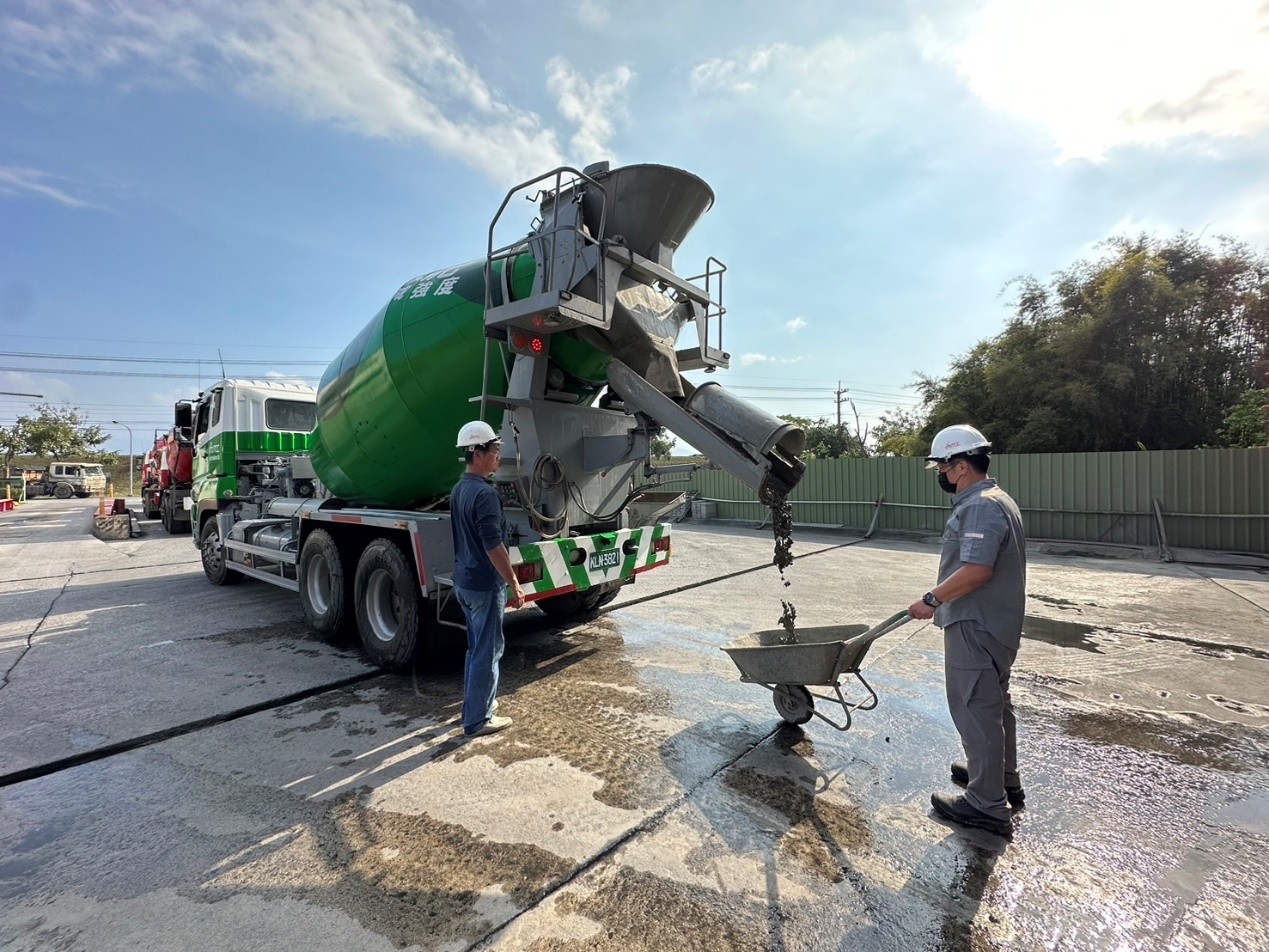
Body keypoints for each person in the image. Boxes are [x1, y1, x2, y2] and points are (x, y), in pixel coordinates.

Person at [907, 424, 1027, 839]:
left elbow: (977, 570)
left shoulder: (980, 507)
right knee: (995, 706)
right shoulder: (998, 499)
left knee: (975, 708)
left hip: (974, 623)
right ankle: (1001, 780)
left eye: (942, 467)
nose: (940, 474)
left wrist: (932, 599)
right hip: (997, 623)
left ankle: (985, 805)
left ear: (960, 466)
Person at [451, 420, 526, 737]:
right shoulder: (485, 495)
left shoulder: (459, 489)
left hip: (464, 582)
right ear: (478, 453)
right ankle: (478, 720)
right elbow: (493, 546)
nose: (498, 457)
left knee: (476, 648)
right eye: (494, 451)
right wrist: (514, 582)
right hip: (484, 585)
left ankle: (473, 708)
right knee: (488, 650)